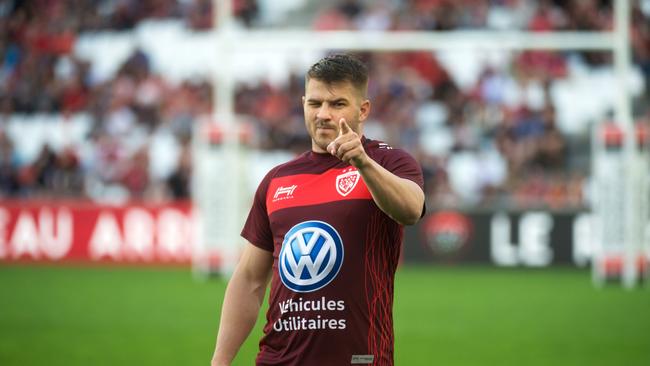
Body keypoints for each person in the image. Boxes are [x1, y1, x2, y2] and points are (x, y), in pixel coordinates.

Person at [211, 53, 425, 366]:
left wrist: (362, 162)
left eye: (337, 104)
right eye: (315, 103)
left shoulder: (388, 162)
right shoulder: (277, 179)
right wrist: (220, 361)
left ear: (363, 110)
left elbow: (410, 209)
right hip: (277, 359)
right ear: (303, 105)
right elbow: (248, 279)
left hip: (358, 359)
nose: (323, 114)